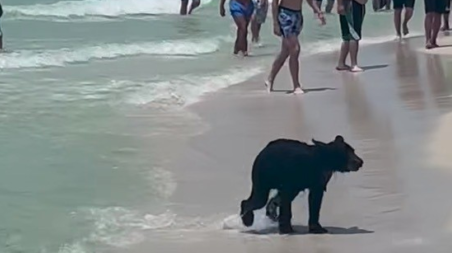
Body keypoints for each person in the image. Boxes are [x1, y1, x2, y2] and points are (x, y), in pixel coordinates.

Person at [265, 0, 326, 94]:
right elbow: (274, 3)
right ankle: (296, 85)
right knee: (295, 49)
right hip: (285, 15)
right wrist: (275, 23)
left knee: (285, 52)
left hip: (298, 15)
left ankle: (270, 78)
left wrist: (318, 11)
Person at [336, 0, 368, 72]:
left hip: (347, 5)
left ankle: (341, 63)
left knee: (347, 36)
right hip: (353, 5)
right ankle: (354, 64)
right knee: (354, 35)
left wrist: (340, 4)